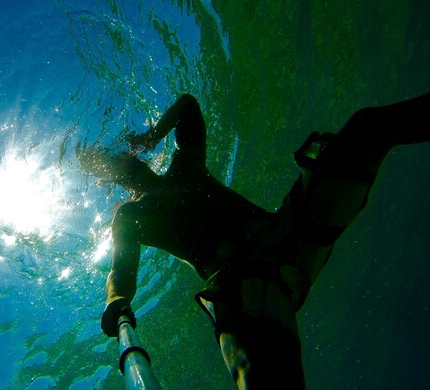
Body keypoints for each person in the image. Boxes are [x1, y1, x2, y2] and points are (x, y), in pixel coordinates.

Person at [77, 92, 430, 389]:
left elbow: (187, 106)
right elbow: (121, 271)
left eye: (119, 156)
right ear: (117, 179)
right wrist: (116, 300)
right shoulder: (131, 216)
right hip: (239, 289)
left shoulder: (185, 165)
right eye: (112, 165)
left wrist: (153, 134)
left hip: (285, 235)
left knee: (367, 128)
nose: (120, 162)